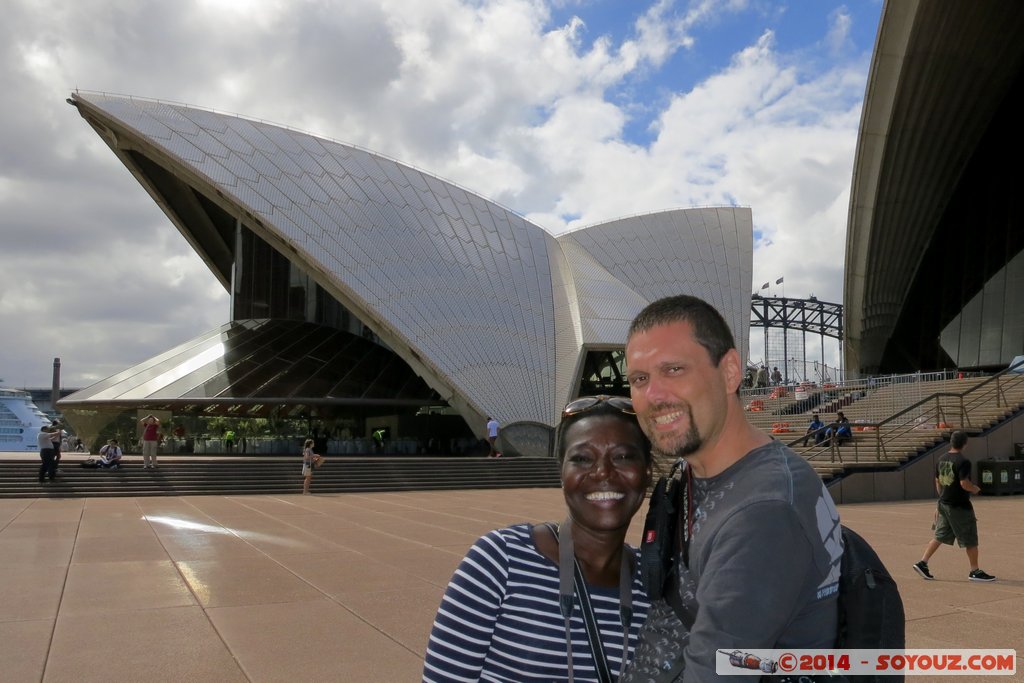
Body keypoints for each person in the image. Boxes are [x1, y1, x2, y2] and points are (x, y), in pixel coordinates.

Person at [620, 295, 842, 682]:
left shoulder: (764, 512)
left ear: (730, 372)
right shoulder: (688, 475)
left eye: (673, 369)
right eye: (640, 379)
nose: (653, 396)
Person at [423, 396, 653, 682]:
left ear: (647, 471)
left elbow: (722, 661)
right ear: (561, 474)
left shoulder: (657, 585)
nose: (603, 472)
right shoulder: (500, 560)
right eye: (582, 458)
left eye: (622, 456)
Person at [912, 431, 996, 582]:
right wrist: (976, 488)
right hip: (959, 506)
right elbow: (964, 483)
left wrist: (941, 499)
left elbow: (938, 481)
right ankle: (974, 571)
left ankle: (922, 563)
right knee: (970, 538)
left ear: (951, 442)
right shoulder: (963, 461)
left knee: (939, 535)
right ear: (965, 443)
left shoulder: (941, 459)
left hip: (944, 504)